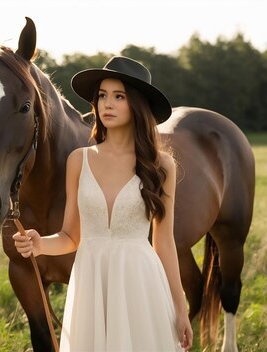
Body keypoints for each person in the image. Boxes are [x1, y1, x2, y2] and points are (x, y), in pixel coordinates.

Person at [13, 56, 193, 351]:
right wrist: (39, 244)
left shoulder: (161, 166)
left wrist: (180, 307)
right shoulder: (79, 160)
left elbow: (164, 243)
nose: (107, 104)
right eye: (102, 96)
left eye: (118, 96)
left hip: (140, 283)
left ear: (137, 105)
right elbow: (71, 237)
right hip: (90, 285)